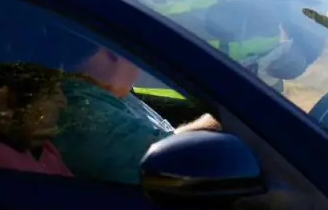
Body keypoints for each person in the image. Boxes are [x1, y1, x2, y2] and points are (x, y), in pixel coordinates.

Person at [53, 40, 221, 185]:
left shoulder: (104, 93)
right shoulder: (84, 114)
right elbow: (173, 161)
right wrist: (220, 121)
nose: (138, 65)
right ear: (113, 53)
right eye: (135, 55)